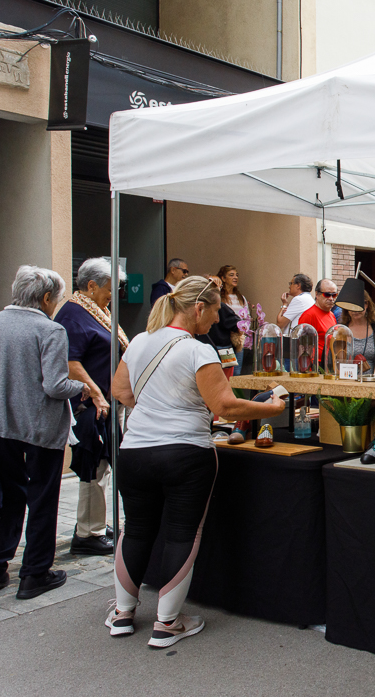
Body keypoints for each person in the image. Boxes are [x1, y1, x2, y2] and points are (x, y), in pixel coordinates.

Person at [108, 276, 285, 646]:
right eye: (217, 310)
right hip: (186, 453)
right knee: (182, 532)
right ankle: (167, 622)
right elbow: (223, 405)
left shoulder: (139, 341)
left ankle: (122, 614)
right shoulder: (198, 350)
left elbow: (120, 391)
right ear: (198, 308)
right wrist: (271, 407)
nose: (218, 318)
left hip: (134, 452)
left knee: (135, 528)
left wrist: (155, 412)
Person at [0, 266, 88, 600]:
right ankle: (34, 574)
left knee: (9, 497)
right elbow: (55, 386)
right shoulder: (49, 330)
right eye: (55, 298)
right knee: (42, 498)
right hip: (39, 428)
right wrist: (81, 386)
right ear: (44, 298)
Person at [54, 257, 127, 556]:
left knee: (101, 466)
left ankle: (94, 523)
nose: (113, 294)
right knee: (93, 466)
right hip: (89, 405)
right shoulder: (73, 315)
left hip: (104, 403)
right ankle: (88, 533)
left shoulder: (94, 311)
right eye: (110, 288)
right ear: (92, 285)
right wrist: (97, 394)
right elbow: (71, 363)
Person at [340, 289, 375, 374]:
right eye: (351, 305)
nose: (355, 310)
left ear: (367, 304)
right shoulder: (341, 330)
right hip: (347, 382)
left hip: (372, 383)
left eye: (358, 305)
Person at [217, 265, 250, 375]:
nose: (235, 277)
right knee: (227, 370)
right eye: (231, 275)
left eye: (236, 275)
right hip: (225, 340)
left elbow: (247, 317)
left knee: (237, 372)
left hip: (238, 339)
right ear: (223, 278)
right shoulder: (219, 297)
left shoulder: (240, 297)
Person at [297, 279, 338, 358]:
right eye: (327, 294)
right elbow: (302, 346)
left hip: (328, 364)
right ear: (317, 294)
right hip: (315, 366)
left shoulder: (331, 315)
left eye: (334, 295)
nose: (331, 298)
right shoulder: (309, 315)